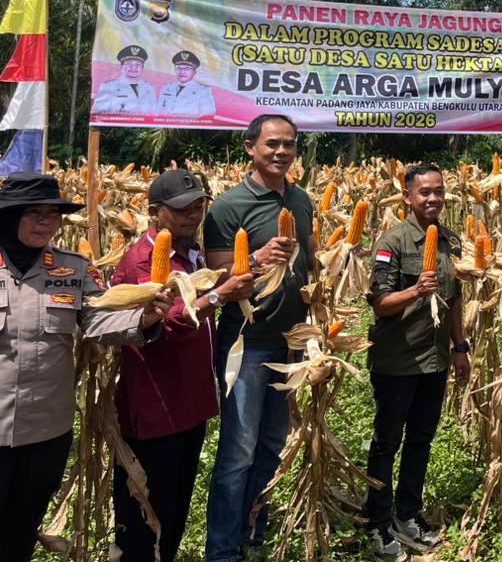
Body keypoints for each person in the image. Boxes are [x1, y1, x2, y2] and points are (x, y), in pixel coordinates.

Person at [0, 173, 170, 562]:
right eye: (34, 213)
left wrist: (143, 320)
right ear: (8, 217)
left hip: (45, 430)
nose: (47, 221)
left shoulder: (74, 270)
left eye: (53, 214)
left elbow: (97, 323)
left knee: (19, 529)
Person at [112, 169, 255, 562]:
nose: (192, 215)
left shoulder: (193, 256)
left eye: (198, 207)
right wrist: (219, 297)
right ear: (154, 212)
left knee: (173, 512)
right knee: (144, 516)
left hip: (189, 407)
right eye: (180, 210)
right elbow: (165, 319)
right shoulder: (142, 260)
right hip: (155, 412)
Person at [202, 114, 315, 562]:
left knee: (272, 447)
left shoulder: (302, 200)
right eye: (272, 144)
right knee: (238, 452)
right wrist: (257, 259)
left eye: (289, 144)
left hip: (292, 342)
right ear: (250, 147)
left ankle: (253, 534)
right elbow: (214, 270)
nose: (281, 152)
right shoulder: (228, 207)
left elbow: (309, 258)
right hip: (247, 344)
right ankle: (222, 550)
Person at [363, 164, 470, 558]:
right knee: (387, 442)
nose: (433, 199)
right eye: (424, 192)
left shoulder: (450, 241)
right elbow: (379, 304)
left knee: (421, 440)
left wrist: (460, 348)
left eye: (438, 191)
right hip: (397, 362)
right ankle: (376, 521)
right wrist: (413, 292)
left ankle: (407, 513)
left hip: (435, 360)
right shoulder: (392, 243)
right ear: (407, 196)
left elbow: (454, 300)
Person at [92, 45, 157, 114]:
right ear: (121, 67)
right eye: (129, 64)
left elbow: (155, 113)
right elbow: (98, 114)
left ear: (142, 68)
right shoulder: (109, 86)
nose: (133, 68)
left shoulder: (149, 88)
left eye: (138, 65)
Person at [157, 50, 216, 117]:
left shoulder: (203, 90)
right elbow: (158, 111)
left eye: (187, 68)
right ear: (175, 70)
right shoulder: (167, 87)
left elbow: (208, 115)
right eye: (179, 68)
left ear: (194, 72)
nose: (182, 71)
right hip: (166, 126)